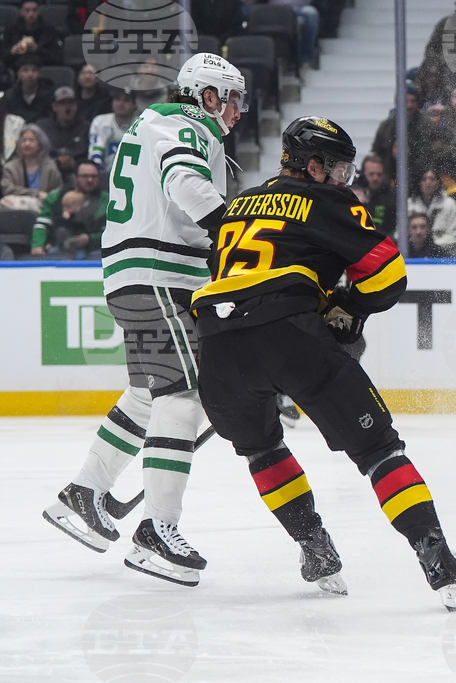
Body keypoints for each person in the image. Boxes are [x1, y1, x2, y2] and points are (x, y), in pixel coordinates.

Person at [190, 116, 456, 610]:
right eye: (337, 168)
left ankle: (315, 550)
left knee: (262, 452)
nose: (344, 178)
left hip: (216, 347)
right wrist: (351, 308)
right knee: (380, 451)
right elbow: (388, 277)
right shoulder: (325, 199)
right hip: (287, 335)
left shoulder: (238, 202)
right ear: (312, 165)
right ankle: (439, 564)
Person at [42, 53, 248, 587]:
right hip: (158, 276)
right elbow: (186, 185)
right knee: (182, 398)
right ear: (207, 94)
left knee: (145, 395)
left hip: (139, 275)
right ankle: (157, 530)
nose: (236, 111)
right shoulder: (188, 124)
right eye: (231, 98)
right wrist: (238, 236)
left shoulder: (154, 121)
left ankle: (83, 493)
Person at [29, 159, 107, 258]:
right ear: (75, 177)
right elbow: (42, 224)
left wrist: (90, 239)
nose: (90, 180)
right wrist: (38, 246)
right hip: (61, 247)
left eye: (93, 176)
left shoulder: (107, 200)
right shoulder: (56, 197)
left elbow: (112, 231)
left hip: (96, 249)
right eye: (85, 176)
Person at [37, 86, 91, 188]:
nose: (67, 107)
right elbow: (36, 156)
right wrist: (56, 162)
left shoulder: (86, 127)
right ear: (54, 107)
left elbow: (89, 155)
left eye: (70, 103)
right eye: (62, 103)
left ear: (76, 106)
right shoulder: (42, 127)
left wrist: (76, 163)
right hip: (48, 172)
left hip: (77, 173)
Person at [0, 124, 62, 211]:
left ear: (40, 144)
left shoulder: (50, 168)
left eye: (32, 140)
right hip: (15, 206)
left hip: (42, 206)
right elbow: (8, 190)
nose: (27, 144)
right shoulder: (10, 167)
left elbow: (57, 191)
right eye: (24, 140)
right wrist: (36, 193)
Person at [88, 88, 138, 171]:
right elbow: (95, 150)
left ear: (134, 104)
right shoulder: (100, 122)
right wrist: (98, 173)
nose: (121, 104)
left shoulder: (141, 125)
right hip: (104, 174)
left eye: (126, 100)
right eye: (117, 99)